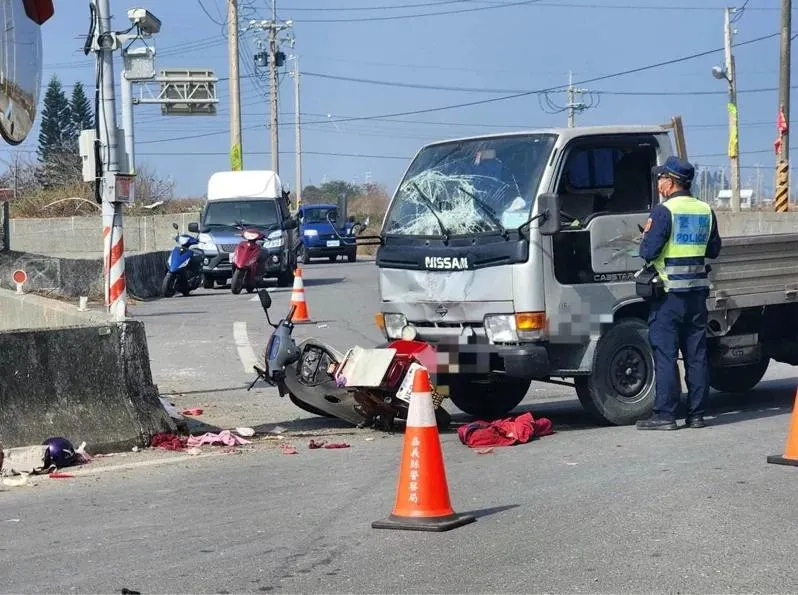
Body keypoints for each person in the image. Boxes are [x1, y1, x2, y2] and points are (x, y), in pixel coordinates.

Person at [636, 156, 722, 430]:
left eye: (661, 178)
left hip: (669, 295)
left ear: (670, 182)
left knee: (666, 355)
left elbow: (648, 252)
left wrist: (645, 240)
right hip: (697, 294)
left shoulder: (664, 212)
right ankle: (696, 415)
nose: (659, 183)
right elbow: (713, 250)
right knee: (696, 355)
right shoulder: (705, 210)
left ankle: (665, 415)